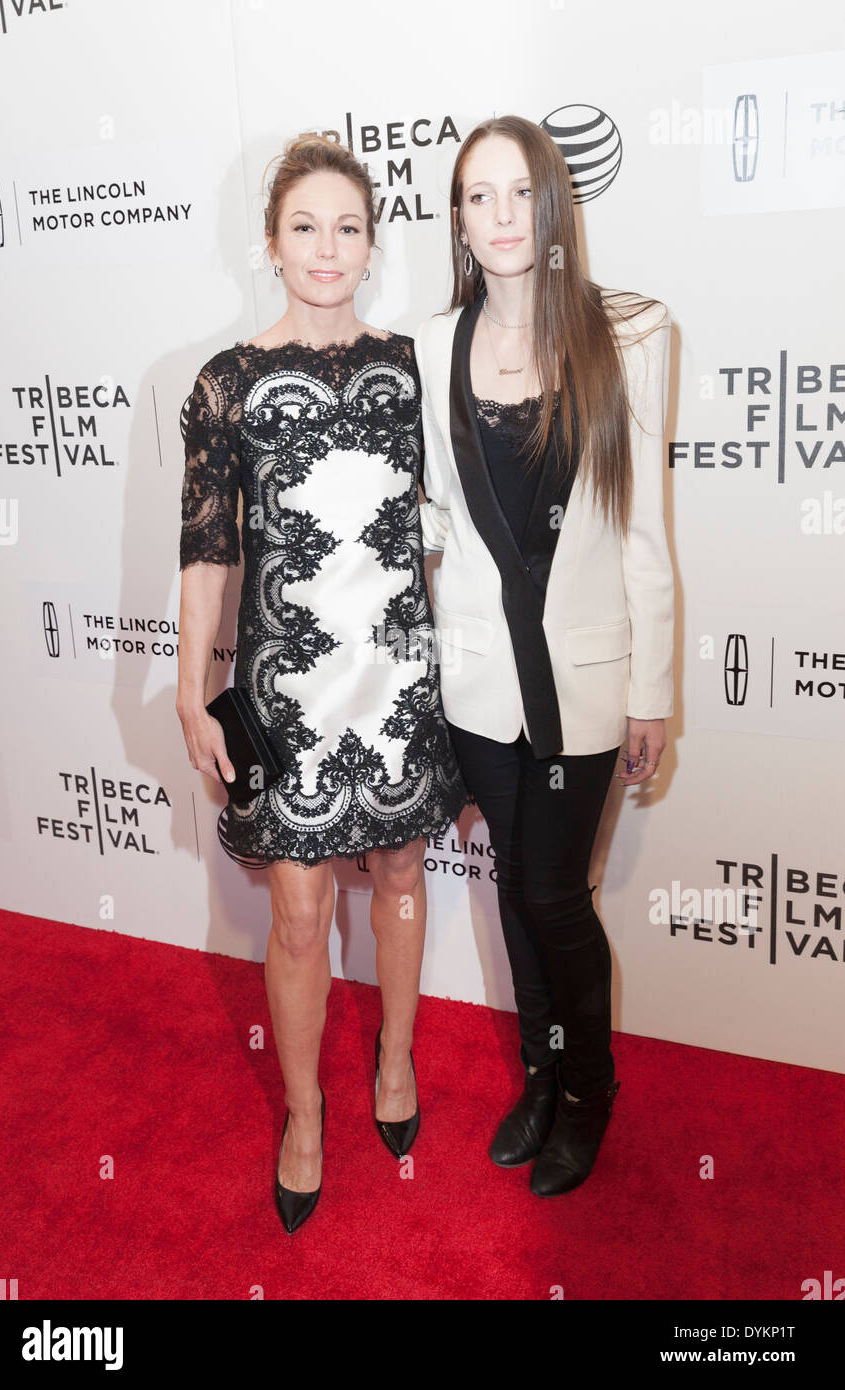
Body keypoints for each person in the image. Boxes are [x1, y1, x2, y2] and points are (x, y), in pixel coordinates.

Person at [176, 134, 468, 1233]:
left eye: (348, 226)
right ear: (271, 243)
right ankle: (305, 1116)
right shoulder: (225, 385)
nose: (327, 246)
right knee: (296, 916)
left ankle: (395, 1060)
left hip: (396, 674)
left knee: (398, 867)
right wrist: (188, 686)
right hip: (283, 686)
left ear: (371, 243)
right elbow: (208, 553)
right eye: (306, 226)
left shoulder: (414, 367)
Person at [415, 115, 674, 1196]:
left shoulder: (634, 334)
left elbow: (647, 530)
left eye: (520, 192)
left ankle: (589, 1093)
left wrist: (652, 688)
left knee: (555, 895)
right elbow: (431, 520)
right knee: (515, 892)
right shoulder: (431, 347)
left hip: (583, 680)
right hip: (480, 682)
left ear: (554, 204)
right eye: (479, 196)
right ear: (460, 220)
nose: (502, 216)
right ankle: (540, 1073)